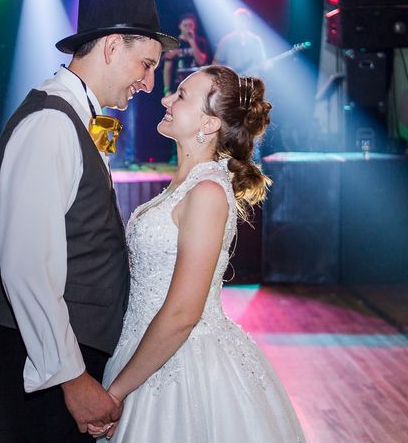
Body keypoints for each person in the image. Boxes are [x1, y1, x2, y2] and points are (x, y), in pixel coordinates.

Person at [0, 0, 178, 443]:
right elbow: (28, 269)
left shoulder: (77, 117)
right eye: (146, 64)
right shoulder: (50, 124)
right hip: (42, 368)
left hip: (65, 355)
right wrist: (71, 378)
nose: (149, 83)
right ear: (111, 47)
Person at [89, 65, 306, 442]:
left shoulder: (206, 192)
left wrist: (115, 393)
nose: (165, 99)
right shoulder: (187, 183)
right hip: (145, 349)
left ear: (209, 124)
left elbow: (182, 314)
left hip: (183, 363)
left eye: (181, 96)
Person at [162, 13, 209, 97]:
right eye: (185, 25)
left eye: (190, 25)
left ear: (195, 26)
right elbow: (167, 68)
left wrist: (192, 41)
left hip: (196, 85)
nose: (188, 27)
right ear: (180, 26)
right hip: (177, 85)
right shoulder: (174, 43)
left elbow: (201, 61)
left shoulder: (201, 42)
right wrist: (167, 89)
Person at [213, 8, 267, 75]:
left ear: (248, 22)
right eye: (239, 20)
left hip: (251, 81)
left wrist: (266, 65)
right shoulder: (226, 41)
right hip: (233, 81)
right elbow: (215, 63)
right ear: (234, 22)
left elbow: (262, 64)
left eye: (244, 20)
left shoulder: (256, 41)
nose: (241, 23)